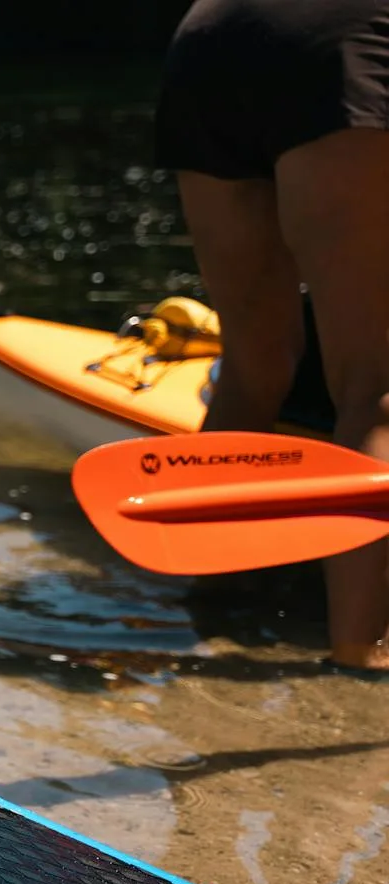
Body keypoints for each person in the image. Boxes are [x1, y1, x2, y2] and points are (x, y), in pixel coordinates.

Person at [155, 0, 389, 672]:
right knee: (372, 383)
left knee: (254, 361)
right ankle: (361, 656)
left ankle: (213, 610)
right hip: (349, 39)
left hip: (212, 33)